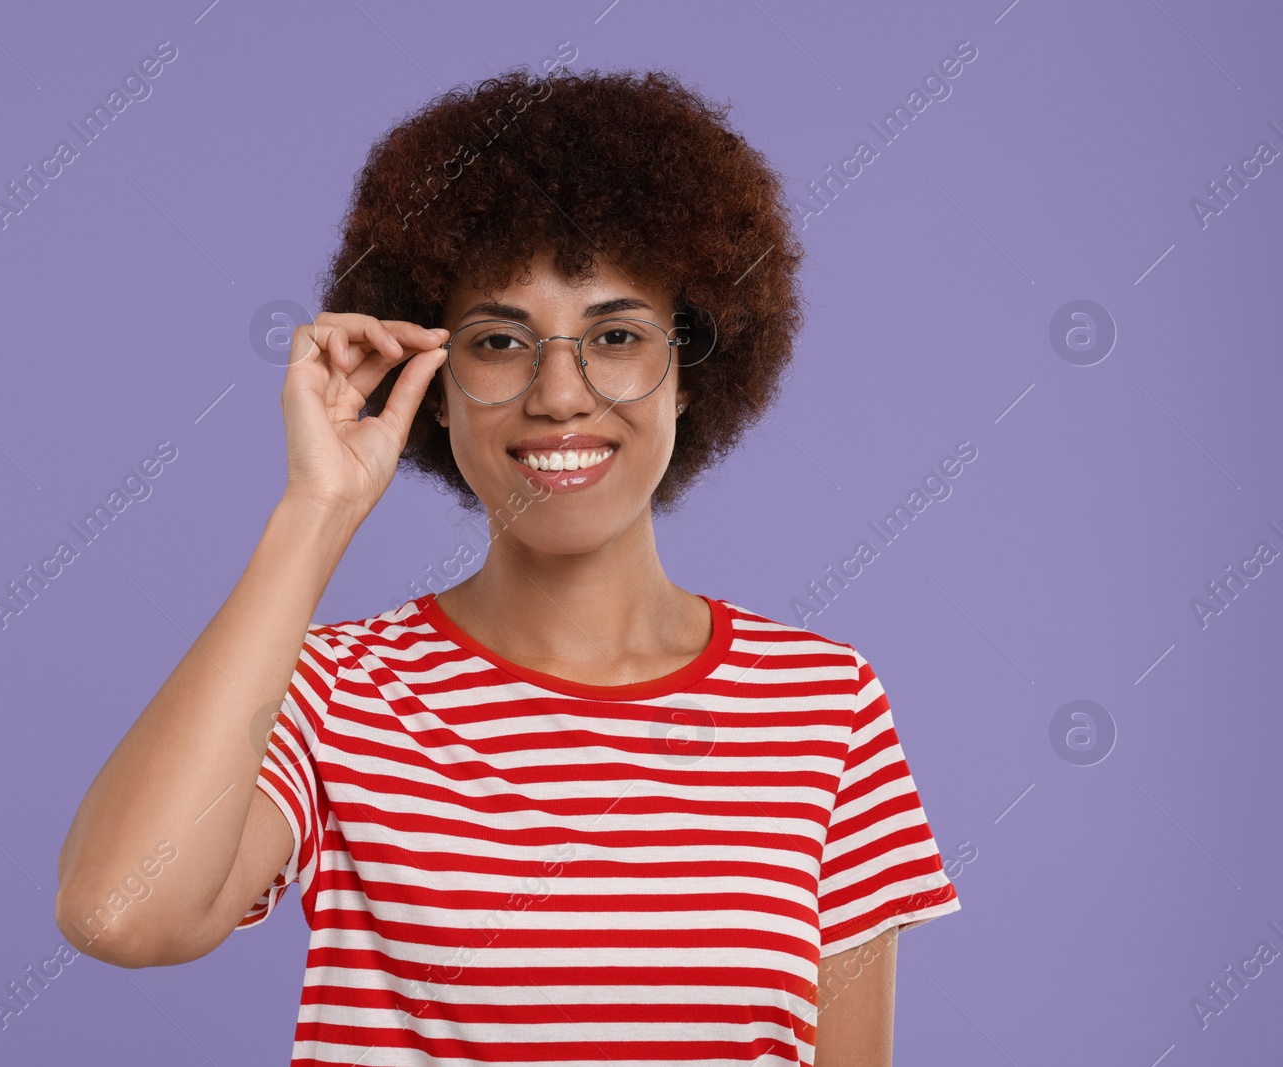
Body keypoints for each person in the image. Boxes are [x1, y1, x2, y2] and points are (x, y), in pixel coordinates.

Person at [55, 67, 960, 1066]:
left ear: (690, 376)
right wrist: (317, 509)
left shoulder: (821, 705)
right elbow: (116, 915)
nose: (560, 394)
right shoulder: (333, 692)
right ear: (434, 389)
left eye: (615, 335)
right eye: (498, 341)